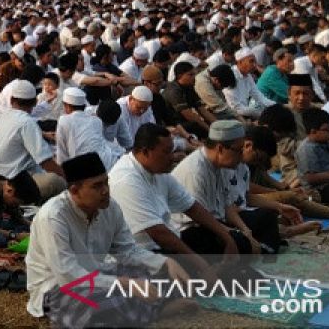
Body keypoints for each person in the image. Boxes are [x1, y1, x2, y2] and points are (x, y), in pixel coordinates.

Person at [27, 152, 188, 326]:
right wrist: (126, 284)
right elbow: (69, 275)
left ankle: (147, 309)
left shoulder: (110, 208)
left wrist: (165, 262)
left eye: (106, 182)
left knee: (158, 274)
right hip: (58, 287)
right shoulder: (53, 217)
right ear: (75, 191)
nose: (105, 191)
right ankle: (157, 310)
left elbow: (128, 251)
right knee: (95, 306)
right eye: (97, 186)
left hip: (99, 274)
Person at [107, 124, 238, 276]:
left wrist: (227, 237)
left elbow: (192, 207)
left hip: (166, 240)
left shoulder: (158, 170)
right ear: (145, 152)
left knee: (224, 241)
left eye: (172, 151)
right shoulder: (126, 180)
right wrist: (199, 263)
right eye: (166, 152)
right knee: (194, 272)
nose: (172, 157)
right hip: (141, 252)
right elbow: (158, 233)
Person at [171, 120, 281, 254]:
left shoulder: (221, 166)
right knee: (238, 242)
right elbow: (202, 220)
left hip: (217, 222)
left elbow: (227, 207)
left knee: (265, 217)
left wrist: (246, 231)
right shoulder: (195, 171)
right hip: (190, 230)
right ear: (221, 148)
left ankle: (259, 248)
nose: (241, 157)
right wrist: (237, 235)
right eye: (239, 151)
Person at [0, 79, 65, 202]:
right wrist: (68, 177)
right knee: (58, 181)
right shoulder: (27, 122)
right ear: (35, 102)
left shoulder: (6, 116)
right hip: (16, 184)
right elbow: (46, 162)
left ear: (11, 101)